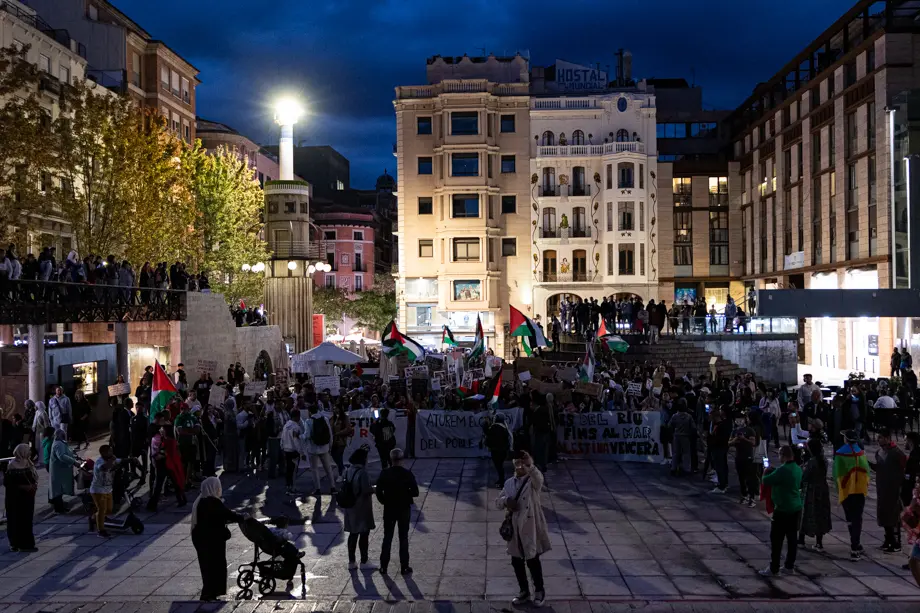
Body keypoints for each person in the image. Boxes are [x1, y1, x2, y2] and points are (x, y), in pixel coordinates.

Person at [495, 450, 550, 607]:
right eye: (518, 464)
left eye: (522, 464)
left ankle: (539, 591)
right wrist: (507, 501)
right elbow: (497, 502)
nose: (520, 467)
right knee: (516, 561)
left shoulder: (532, 483)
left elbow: (539, 479)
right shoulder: (509, 483)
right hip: (514, 528)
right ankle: (524, 591)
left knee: (533, 560)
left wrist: (530, 465)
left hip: (529, 527)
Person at [191, 476, 246, 601]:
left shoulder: (201, 500)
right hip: (211, 542)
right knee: (214, 567)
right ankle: (209, 594)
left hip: (202, 540)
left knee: (208, 567)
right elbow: (227, 514)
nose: (219, 489)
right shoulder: (212, 502)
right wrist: (242, 517)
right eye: (218, 487)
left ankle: (210, 593)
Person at [759, 445, 803, 576]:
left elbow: (766, 480)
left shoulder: (783, 470)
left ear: (783, 456)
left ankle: (774, 568)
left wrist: (766, 471)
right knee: (792, 538)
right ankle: (789, 566)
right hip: (796, 506)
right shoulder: (797, 468)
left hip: (783, 508)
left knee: (776, 539)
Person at [376, 448, 419, 575]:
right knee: (403, 537)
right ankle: (404, 566)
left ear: (391, 460)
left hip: (389, 508)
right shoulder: (407, 473)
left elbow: (378, 491)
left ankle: (384, 566)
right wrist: (406, 494)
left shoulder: (385, 473)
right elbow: (415, 492)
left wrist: (384, 501)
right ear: (402, 460)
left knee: (387, 537)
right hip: (404, 508)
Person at [833, 429, 871, 560]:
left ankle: (854, 546)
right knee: (858, 518)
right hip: (860, 490)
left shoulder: (840, 453)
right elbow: (867, 472)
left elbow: (837, 473)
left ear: (846, 439)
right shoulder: (861, 453)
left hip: (847, 490)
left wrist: (838, 489)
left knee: (850, 518)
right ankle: (856, 543)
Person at [869, 427, 907, 553]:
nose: (879, 440)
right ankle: (887, 539)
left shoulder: (897, 453)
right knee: (884, 514)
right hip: (882, 488)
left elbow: (903, 470)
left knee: (893, 516)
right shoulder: (879, 452)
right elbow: (879, 468)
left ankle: (896, 542)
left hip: (894, 489)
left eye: (880, 437)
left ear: (887, 438)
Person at [342, 446, 376, 570]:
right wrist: (374, 489)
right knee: (364, 533)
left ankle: (351, 561)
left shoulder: (347, 470)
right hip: (361, 507)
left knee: (353, 533)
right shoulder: (363, 473)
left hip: (350, 506)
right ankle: (364, 561)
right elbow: (366, 489)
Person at [798, 437, 832, 551]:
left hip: (811, 490)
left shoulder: (811, 462)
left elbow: (804, 476)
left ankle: (801, 539)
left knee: (806, 513)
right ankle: (819, 542)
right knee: (820, 515)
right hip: (823, 489)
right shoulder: (824, 461)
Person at [4, 443, 38, 551]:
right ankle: (15, 543)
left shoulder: (28, 463)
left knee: (27, 521)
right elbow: (8, 483)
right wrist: (23, 487)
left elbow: (33, 478)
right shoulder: (12, 465)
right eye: (28, 450)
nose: (30, 452)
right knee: (15, 520)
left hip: (27, 499)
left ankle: (28, 544)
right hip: (16, 499)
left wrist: (33, 486)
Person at [303, 406, 337, 496]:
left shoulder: (308, 421)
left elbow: (307, 435)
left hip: (313, 449)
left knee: (314, 469)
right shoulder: (325, 419)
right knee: (328, 468)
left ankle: (317, 489)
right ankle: (333, 487)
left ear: (310, 412)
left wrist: (300, 436)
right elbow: (330, 433)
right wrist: (330, 446)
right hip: (324, 447)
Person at [729, 413, 760, 507]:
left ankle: (752, 497)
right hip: (738, 457)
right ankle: (744, 495)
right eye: (737, 419)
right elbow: (729, 442)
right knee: (741, 478)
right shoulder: (734, 431)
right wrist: (735, 440)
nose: (739, 421)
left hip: (748, 457)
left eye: (741, 419)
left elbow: (753, 443)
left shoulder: (750, 430)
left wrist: (744, 439)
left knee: (750, 478)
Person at [89, 444, 120, 537]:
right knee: (102, 509)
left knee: (109, 509)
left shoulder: (111, 460)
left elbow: (120, 461)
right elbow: (104, 467)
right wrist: (112, 460)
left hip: (108, 489)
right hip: (98, 490)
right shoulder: (99, 462)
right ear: (103, 453)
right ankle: (101, 531)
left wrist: (131, 459)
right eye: (110, 451)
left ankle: (93, 518)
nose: (112, 453)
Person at [49, 429, 80, 513]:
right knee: (58, 491)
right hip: (59, 470)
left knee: (60, 490)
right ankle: (59, 509)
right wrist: (74, 462)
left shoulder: (60, 443)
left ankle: (61, 507)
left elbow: (66, 453)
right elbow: (62, 456)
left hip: (61, 470)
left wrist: (73, 456)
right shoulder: (58, 444)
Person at [668, 399, 695, 476]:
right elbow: (693, 427)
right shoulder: (689, 417)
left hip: (676, 436)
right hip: (686, 437)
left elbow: (669, 425)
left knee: (675, 453)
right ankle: (687, 469)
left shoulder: (675, 416)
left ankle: (673, 468)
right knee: (686, 453)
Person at [485, 413, 513, 486]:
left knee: (498, 466)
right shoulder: (504, 427)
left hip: (496, 450)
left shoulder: (495, 427)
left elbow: (488, 434)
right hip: (503, 450)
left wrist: (486, 424)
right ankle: (501, 479)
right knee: (500, 465)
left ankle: (501, 480)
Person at [330, 405, 353, 474]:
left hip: (342, 439)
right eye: (334, 408)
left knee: (339, 455)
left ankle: (341, 473)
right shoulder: (332, 418)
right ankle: (343, 469)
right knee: (333, 454)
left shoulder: (345, 417)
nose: (335, 410)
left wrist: (338, 433)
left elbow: (348, 428)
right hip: (333, 440)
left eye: (336, 408)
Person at [31, 401, 50, 468]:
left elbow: (46, 424)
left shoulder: (43, 413)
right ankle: (40, 459)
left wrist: (46, 432)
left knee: (42, 446)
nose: (34, 407)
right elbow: (34, 421)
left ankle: (42, 461)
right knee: (37, 446)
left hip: (42, 432)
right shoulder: (37, 412)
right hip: (37, 432)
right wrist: (33, 427)